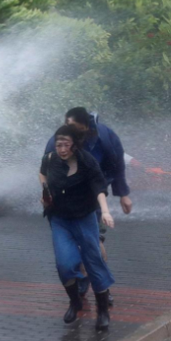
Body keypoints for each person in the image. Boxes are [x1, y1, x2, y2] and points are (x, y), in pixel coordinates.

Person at [45, 107, 132, 302]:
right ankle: (83, 279)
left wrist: (122, 193)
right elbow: (46, 169)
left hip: (92, 201)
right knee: (71, 248)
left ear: (87, 127)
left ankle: (101, 286)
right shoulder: (58, 141)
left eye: (75, 128)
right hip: (65, 206)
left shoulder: (104, 137)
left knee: (94, 244)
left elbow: (117, 163)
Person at [40, 125, 115, 330]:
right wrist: (45, 191)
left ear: (75, 145)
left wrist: (105, 211)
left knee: (93, 262)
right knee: (65, 264)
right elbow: (42, 174)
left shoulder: (87, 162)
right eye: (58, 145)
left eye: (66, 145)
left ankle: (102, 312)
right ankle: (75, 302)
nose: (62, 149)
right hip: (59, 219)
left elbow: (99, 188)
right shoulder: (49, 159)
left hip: (84, 218)